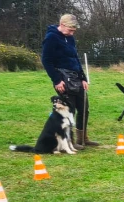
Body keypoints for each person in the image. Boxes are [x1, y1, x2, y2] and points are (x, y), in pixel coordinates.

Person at [41, 14, 98, 148]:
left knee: (84, 108)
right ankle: (68, 140)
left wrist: (83, 77)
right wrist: (57, 80)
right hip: (63, 78)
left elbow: (75, 58)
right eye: (70, 30)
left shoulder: (70, 38)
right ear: (62, 25)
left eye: (74, 30)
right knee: (69, 110)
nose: (72, 33)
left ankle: (82, 138)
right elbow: (46, 61)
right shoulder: (51, 38)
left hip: (76, 77)